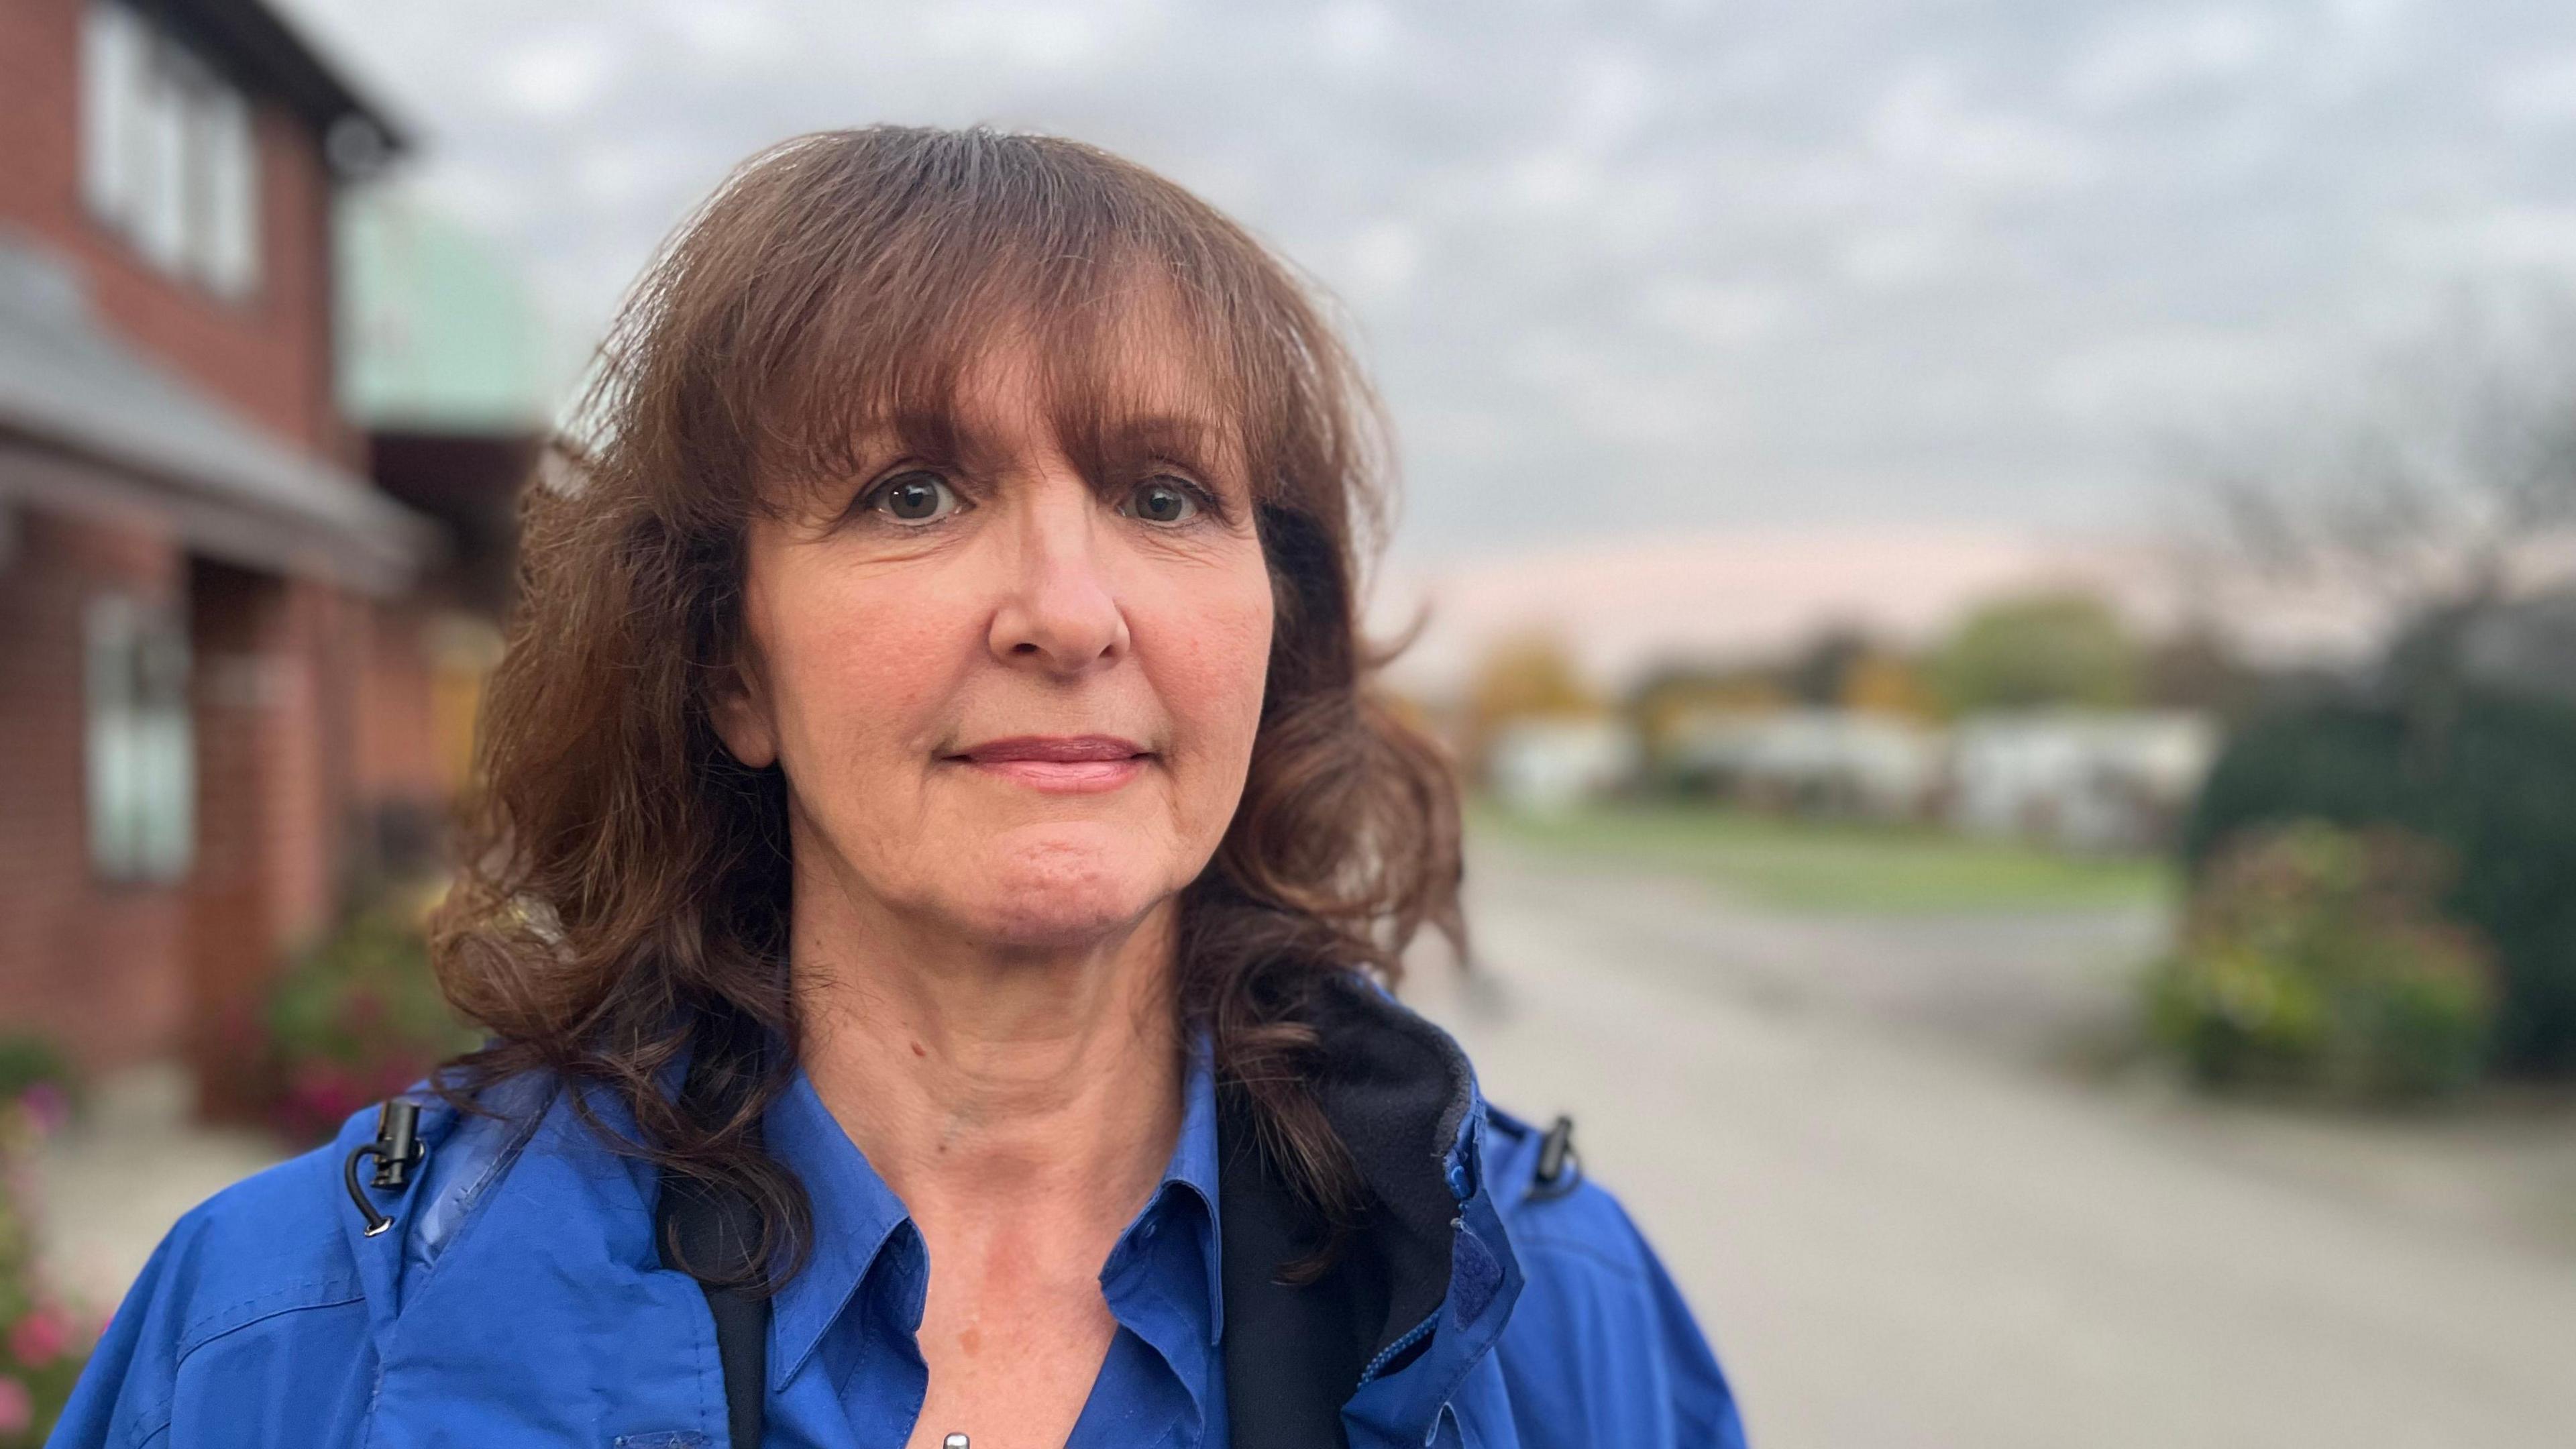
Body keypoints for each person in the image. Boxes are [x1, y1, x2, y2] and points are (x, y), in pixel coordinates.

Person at [50, 125, 1745, 1449]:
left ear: (1272, 629)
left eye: (1165, 496)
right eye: (915, 493)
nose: (1071, 614)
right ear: (729, 660)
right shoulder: (280, 1341)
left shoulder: (1555, 1311)